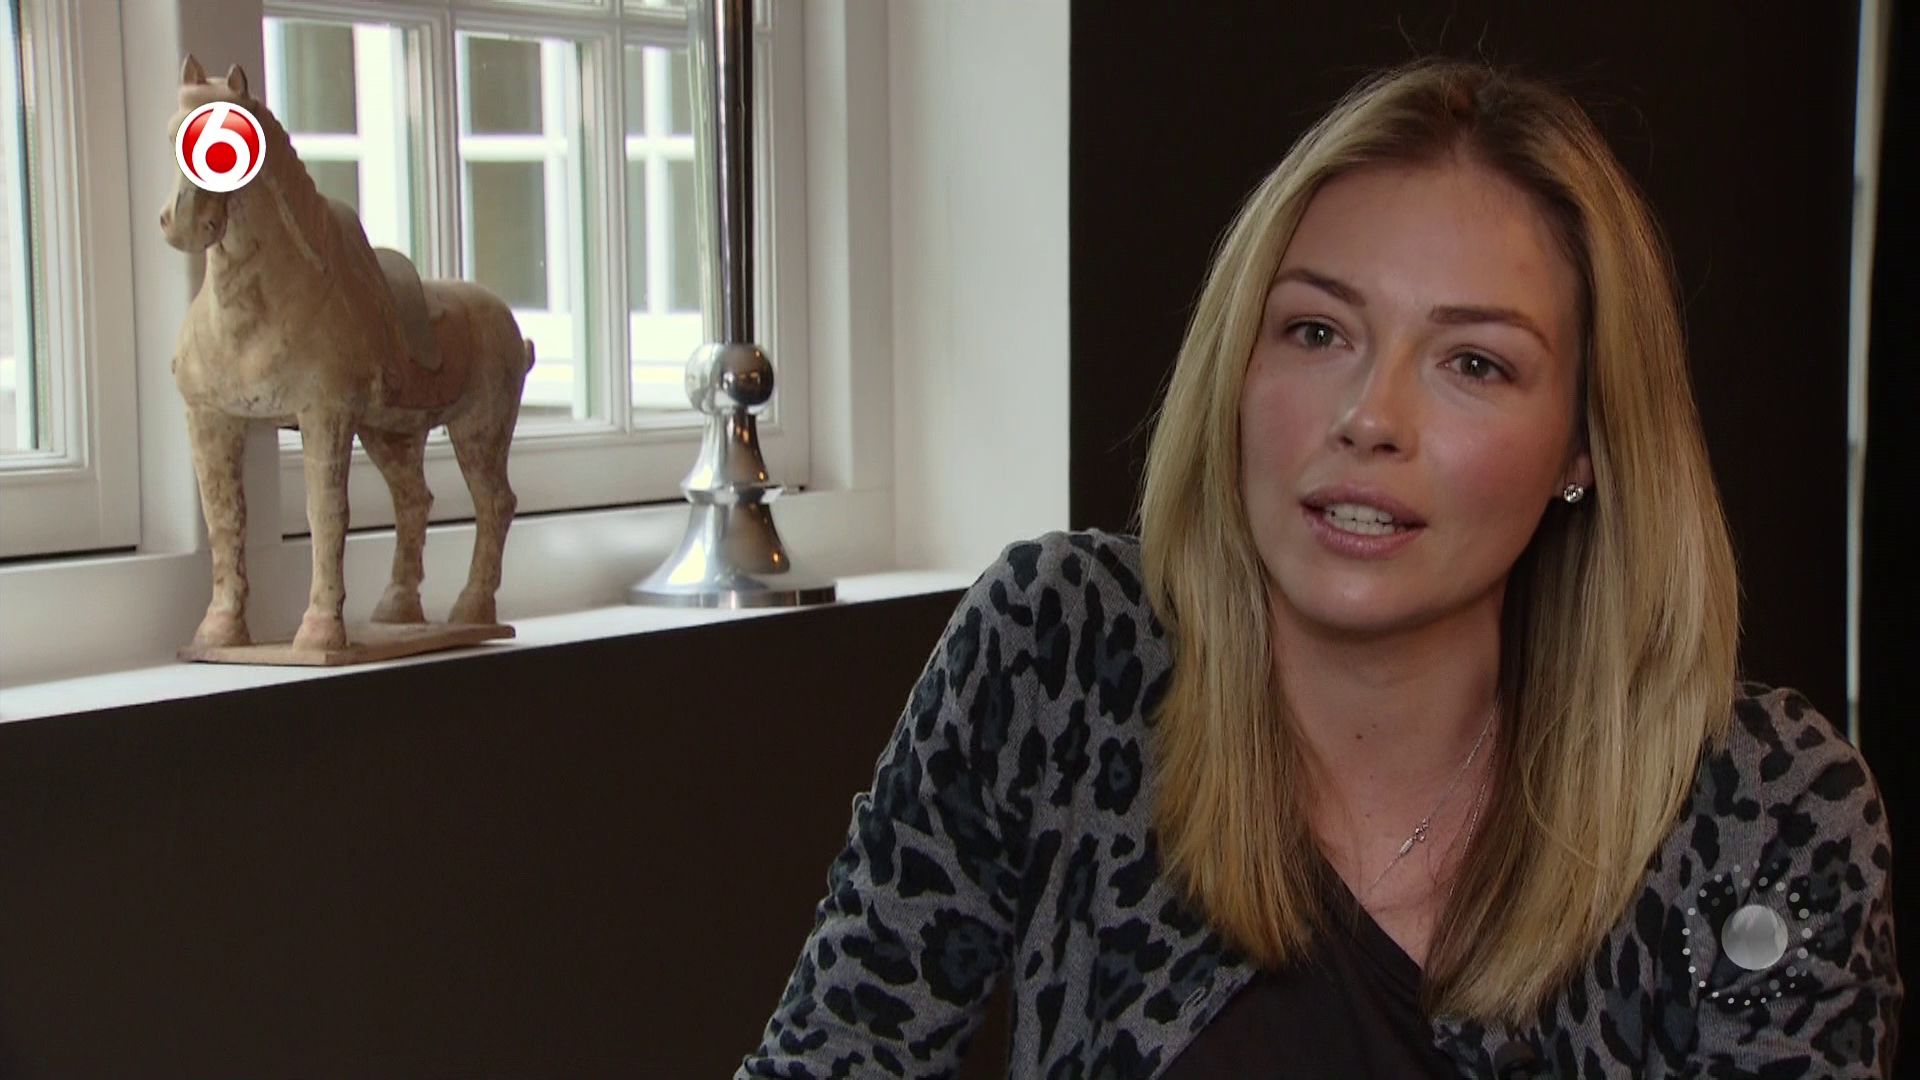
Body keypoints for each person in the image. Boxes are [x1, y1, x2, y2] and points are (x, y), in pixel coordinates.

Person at [735, 58, 1903, 1078]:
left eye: (1475, 364)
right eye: (1317, 332)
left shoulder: (1764, 813)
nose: (1370, 416)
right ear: (1237, 369)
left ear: (1585, 444)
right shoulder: (1063, 654)